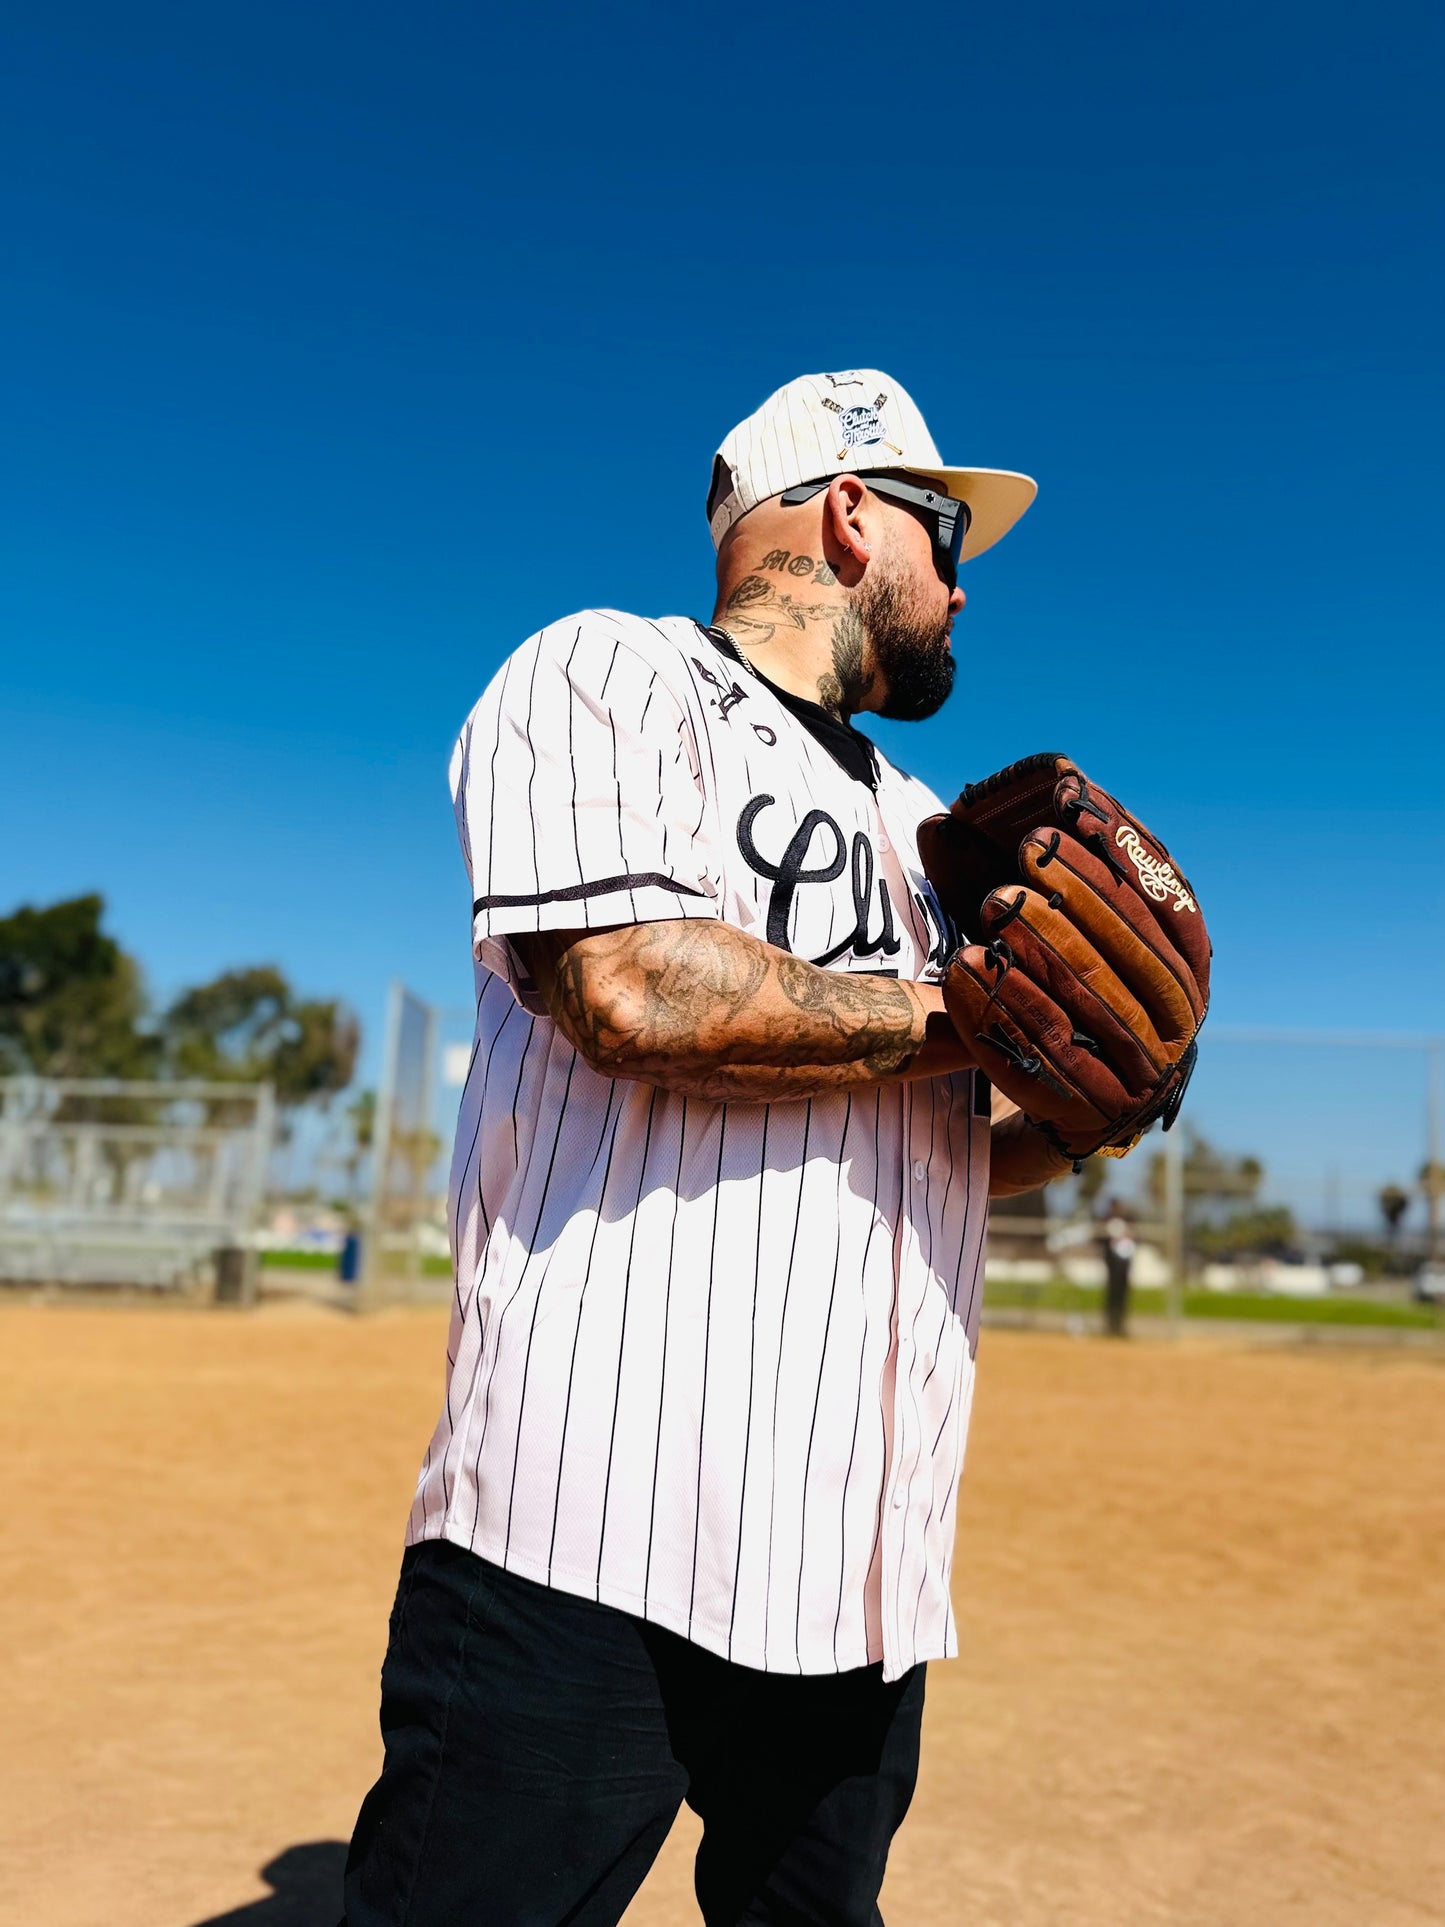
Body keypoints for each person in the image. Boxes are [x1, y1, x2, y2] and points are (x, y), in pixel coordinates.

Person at [340, 370, 1067, 1927]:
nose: (963, 579)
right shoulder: (606, 675)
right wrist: (971, 1011)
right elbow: (634, 986)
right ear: (852, 511)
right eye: (948, 534)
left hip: (859, 1565)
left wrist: (1084, 1097)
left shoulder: (933, 832)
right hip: (586, 1537)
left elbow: (950, 1126)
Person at [1100, 1200, 1137, 1337]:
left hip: (1124, 1265)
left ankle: (1120, 1326)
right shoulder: (1107, 1220)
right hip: (1112, 1265)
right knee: (1112, 1295)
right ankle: (1110, 1326)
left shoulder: (1128, 1220)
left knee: (1123, 1295)